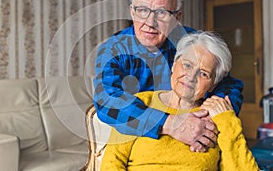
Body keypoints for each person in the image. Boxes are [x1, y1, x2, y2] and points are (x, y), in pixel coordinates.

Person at [93, 0, 243, 152]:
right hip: (140, 140)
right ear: (132, 12)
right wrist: (170, 124)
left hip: (196, 136)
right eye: (142, 10)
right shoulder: (113, 49)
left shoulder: (192, 42)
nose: (150, 22)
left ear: (177, 17)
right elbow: (106, 101)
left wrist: (209, 119)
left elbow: (229, 85)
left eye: (162, 13)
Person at [100, 32, 259, 170]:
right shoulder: (140, 103)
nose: (191, 77)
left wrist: (227, 120)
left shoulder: (216, 117)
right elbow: (112, 163)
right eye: (187, 65)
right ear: (174, 65)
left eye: (203, 74)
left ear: (213, 84)